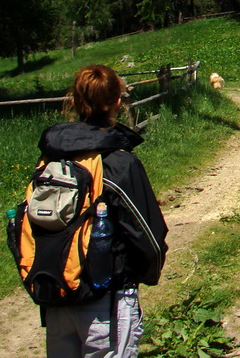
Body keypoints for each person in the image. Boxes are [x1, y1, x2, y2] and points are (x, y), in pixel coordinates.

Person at [39, 64, 168, 357]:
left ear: (73, 102)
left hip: (58, 297)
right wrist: (145, 275)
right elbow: (148, 237)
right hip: (106, 301)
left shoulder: (51, 159)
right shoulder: (118, 163)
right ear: (118, 103)